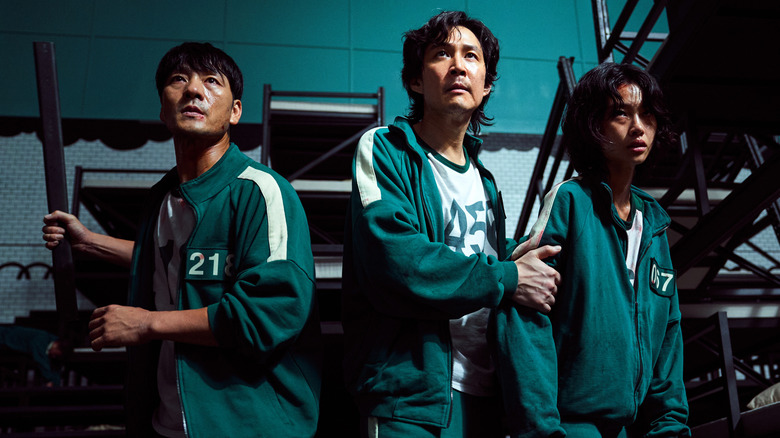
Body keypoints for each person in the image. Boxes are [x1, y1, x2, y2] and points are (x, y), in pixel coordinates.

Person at [42, 42, 321, 438]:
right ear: (162, 108)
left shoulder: (260, 191)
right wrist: (88, 242)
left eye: (211, 81)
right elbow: (171, 262)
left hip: (249, 423)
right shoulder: (161, 199)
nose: (193, 90)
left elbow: (268, 315)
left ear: (236, 111)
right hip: (167, 423)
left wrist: (148, 323)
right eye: (179, 80)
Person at [341, 11, 562, 437]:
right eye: (442, 54)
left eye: (471, 56)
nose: (458, 65)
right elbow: (398, 263)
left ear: (486, 86)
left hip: (487, 393)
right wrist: (510, 275)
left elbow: (491, 269)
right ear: (416, 81)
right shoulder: (385, 149)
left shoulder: (487, 182)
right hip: (409, 397)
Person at [495, 62, 690, 437]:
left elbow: (668, 334)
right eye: (620, 113)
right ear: (594, 127)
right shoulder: (570, 202)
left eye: (645, 113)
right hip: (569, 425)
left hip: (632, 429)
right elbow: (525, 315)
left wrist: (670, 427)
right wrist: (542, 429)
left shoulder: (655, 224)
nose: (638, 126)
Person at [0, 325, 72, 386]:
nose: (54, 356)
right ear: (56, 345)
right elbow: (41, 359)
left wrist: (55, 383)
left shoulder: (52, 341)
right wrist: (50, 379)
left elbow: (56, 366)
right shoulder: (41, 340)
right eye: (55, 354)